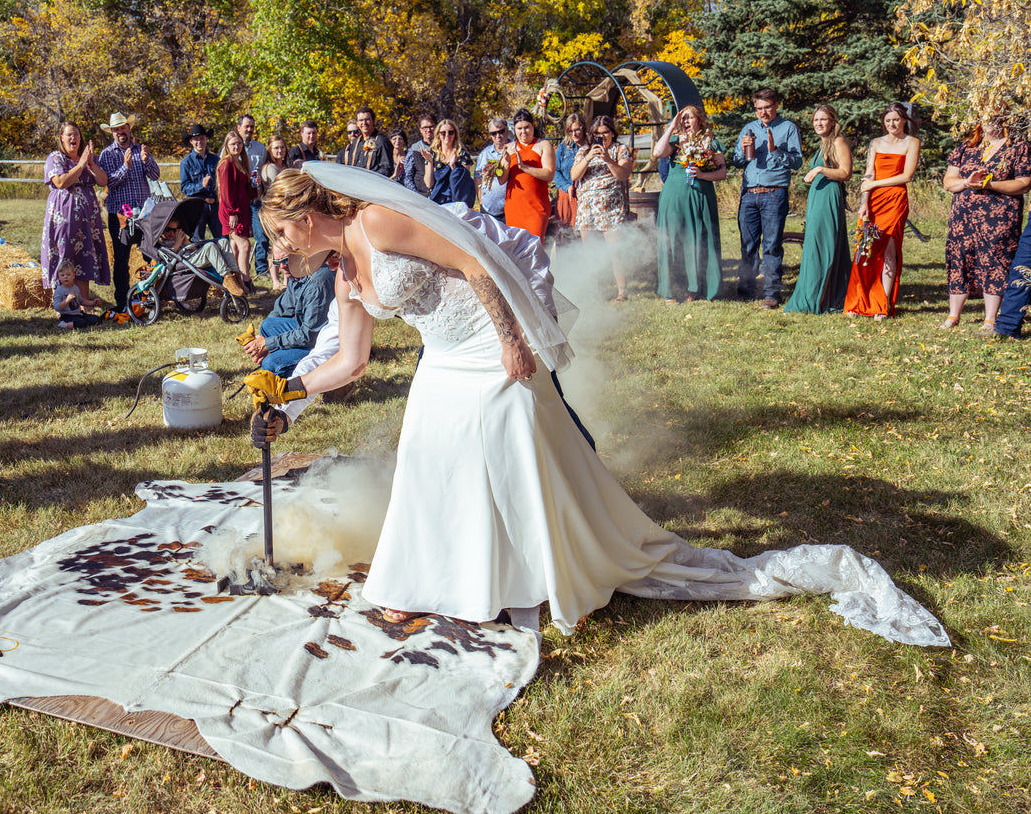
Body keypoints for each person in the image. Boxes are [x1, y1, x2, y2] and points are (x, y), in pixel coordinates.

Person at [243, 163, 947, 647]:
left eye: (278, 233)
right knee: (433, 468)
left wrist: (512, 340)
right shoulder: (343, 273)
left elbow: (474, 263)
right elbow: (349, 361)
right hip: (442, 364)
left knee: (516, 463)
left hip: (489, 346)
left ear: (304, 216)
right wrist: (289, 391)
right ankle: (448, 581)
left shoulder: (377, 222)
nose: (278, 247)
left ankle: (542, 576)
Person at [941, 111, 1031, 331]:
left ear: (1007, 118)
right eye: (987, 116)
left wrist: (989, 185)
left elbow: (1024, 183)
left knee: (995, 260)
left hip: (1000, 217)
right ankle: (953, 315)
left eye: (997, 116)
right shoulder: (967, 147)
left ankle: (990, 318)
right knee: (960, 258)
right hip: (963, 218)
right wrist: (966, 182)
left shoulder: (1018, 147)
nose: (991, 122)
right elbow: (948, 181)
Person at [844, 102, 920, 320]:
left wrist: (875, 184)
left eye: (896, 119)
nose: (892, 124)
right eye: (888, 121)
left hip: (895, 200)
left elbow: (907, 176)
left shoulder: (912, 142)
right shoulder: (876, 143)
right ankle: (859, 301)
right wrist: (864, 202)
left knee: (888, 248)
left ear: (904, 120)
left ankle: (883, 304)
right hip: (873, 200)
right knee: (864, 248)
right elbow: (869, 174)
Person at [730, 88, 803, 309]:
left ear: (776, 105)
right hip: (749, 194)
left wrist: (775, 150)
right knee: (748, 244)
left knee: (771, 245)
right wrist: (742, 151)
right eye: (759, 108)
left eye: (767, 107)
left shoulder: (788, 128)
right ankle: (746, 290)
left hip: (774, 193)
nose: (763, 112)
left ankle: (772, 294)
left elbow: (797, 162)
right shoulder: (749, 128)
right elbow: (737, 161)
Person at [784, 105, 854, 315]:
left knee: (823, 244)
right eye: (816, 120)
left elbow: (846, 172)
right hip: (817, 198)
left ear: (833, 121)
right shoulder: (823, 144)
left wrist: (821, 169)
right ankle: (815, 294)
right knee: (814, 244)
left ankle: (821, 297)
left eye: (823, 119)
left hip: (828, 198)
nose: (819, 123)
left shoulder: (838, 142)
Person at [652, 105, 726, 304]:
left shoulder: (711, 142)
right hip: (674, 197)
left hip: (701, 196)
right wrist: (671, 127)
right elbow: (657, 153)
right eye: (683, 118)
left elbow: (722, 173)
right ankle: (670, 290)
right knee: (672, 239)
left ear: (699, 120)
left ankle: (695, 288)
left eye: (689, 118)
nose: (685, 122)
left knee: (699, 239)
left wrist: (702, 175)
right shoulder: (675, 142)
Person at [97, 111, 159, 312]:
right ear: (112, 133)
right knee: (121, 259)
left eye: (123, 127)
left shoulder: (140, 149)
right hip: (120, 215)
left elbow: (155, 175)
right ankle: (123, 301)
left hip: (143, 214)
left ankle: (150, 295)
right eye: (116, 129)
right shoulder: (107, 154)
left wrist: (147, 160)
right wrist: (126, 166)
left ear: (129, 128)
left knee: (150, 255)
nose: (120, 132)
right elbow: (108, 182)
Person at [237, 253, 336, 377]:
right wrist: (261, 342)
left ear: (299, 253)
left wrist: (268, 344)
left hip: (325, 341)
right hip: (311, 332)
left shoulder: (317, 282)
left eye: (285, 260)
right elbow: (281, 309)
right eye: (277, 262)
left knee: (270, 364)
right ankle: (283, 357)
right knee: (268, 325)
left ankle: (325, 374)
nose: (282, 266)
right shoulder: (298, 273)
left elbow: (310, 334)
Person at [41, 121, 110, 295]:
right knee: (64, 255)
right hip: (64, 217)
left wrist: (90, 164)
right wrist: (80, 166)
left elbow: (103, 181)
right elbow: (60, 182)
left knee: (84, 257)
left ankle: (84, 303)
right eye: (69, 134)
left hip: (87, 218)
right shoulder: (56, 158)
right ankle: (63, 304)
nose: (74, 138)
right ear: (62, 138)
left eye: (76, 134)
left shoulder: (88, 158)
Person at [571, 115, 633, 301]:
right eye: (597, 134)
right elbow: (574, 175)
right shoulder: (584, 150)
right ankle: (595, 291)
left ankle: (622, 291)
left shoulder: (620, 150)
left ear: (612, 132)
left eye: (605, 132)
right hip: (587, 207)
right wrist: (588, 158)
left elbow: (623, 175)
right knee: (590, 251)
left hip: (611, 207)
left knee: (615, 251)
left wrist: (608, 159)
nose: (602, 137)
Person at [156, 214, 247, 297]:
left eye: (174, 230)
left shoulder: (178, 237)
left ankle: (235, 276)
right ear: (162, 230)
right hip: (184, 262)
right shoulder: (162, 244)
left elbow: (195, 250)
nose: (171, 233)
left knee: (224, 241)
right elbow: (169, 258)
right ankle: (226, 276)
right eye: (168, 230)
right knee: (210, 246)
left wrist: (186, 242)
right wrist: (177, 243)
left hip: (192, 257)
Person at [503, 110, 555, 238]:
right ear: (514, 129)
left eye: (527, 127)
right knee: (515, 246)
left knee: (534, 244)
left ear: (533, 126)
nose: (523, 132)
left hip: (536, 207)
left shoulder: (543, 145)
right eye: (519, 128)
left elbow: (549, 174)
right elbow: (501, 180)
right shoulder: (509, 148)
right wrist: (506, 163)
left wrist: (524, 167)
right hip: (514, 207)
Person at [217, 130, 256, 286]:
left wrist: (254, 184)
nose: (236, 146)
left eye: (239, 143)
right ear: (227, 145)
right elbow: (225, 192)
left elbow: (248, 193)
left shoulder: (241, 163)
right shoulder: (226, 164)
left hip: (243, 210)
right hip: (232, 211)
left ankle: (233, 281)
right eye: (233, 144)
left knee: (236, 246)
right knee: (245, 245)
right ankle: (245, 281)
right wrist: (232, 213)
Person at [239, 114, 271, 280]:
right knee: (239, 240)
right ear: (239, 128)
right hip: (239, 201)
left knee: (261, 236)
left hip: (255, 200)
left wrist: (261, 180)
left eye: (252, 126)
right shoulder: (231, 147)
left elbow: (266, 169)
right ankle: (238, 272)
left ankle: (261, 269)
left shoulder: (260, 148)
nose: (249, 129)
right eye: (246, 126)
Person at [260, 137, 293, 289]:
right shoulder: (270, 168)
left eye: (282, 147)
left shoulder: (287, 166)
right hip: (275, 211)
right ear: (270, 150)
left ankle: (287, 279)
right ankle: (275, 280)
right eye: (276, 148)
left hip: (288, 211)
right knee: (275, 245)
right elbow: (280, 190)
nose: (280, 151)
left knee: (287, 245)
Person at [177, 123, 220, 240]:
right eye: (196, 139)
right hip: (197, 206)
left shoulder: (216, 160)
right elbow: (185, 187)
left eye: (202, 138)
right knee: (197, 241)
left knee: (222, 239)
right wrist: (201, 185)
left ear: (206, 139)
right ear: (191, 141)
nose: (199, 142)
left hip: (216, 205)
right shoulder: (186, 162)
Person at [551, 113, 588, 248]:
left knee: (584, 235)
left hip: (585, 195)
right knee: (565, 235)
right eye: (570, 131)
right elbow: (555, 171)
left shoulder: (590, 146)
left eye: (577, 129)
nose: (574, 134)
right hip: (566, 195)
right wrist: (567, 186)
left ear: (583, 128)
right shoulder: (563, 147)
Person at [422, 119, 476, 207]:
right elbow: (429, 184)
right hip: (437, 201)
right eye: (443, 133)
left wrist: (453, 166)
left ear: (455, 134)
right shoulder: (432, 154)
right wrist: (430, 162)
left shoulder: (462, 154)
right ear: (438, 135)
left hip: (456, 201)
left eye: (450, 132)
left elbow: (464, 183)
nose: (447, 135)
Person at [474, 117, 512, 223]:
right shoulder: (485, 154)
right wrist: (480, 200)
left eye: (501, 131)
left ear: (507, 131)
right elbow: (477, 177)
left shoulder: (514, 151)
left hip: (510, 210)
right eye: (494, 133)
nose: (498, 136)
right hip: (487, 210)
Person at [340, 108, 395, 177]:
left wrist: (368, 177)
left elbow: (387, 169)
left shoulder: (381, 142)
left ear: (373, 121)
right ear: (357, 123)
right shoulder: (355, 143)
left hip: (373, 182)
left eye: (367, 119)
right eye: (361, 120)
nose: (364, 123)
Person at [52, 263, 102, 330]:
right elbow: (57, 307)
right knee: (81, 323)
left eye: (68, 275)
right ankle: (64, 324)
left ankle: (82, 323)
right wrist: (67, 300)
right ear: (59, 277)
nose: (65, 277)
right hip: (67, 315)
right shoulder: (59, 290)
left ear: (73, 276)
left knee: (97, 319)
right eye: (62, 275)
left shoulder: (75, 288)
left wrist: (92, 303)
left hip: (78, 314)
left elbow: (81, 301)